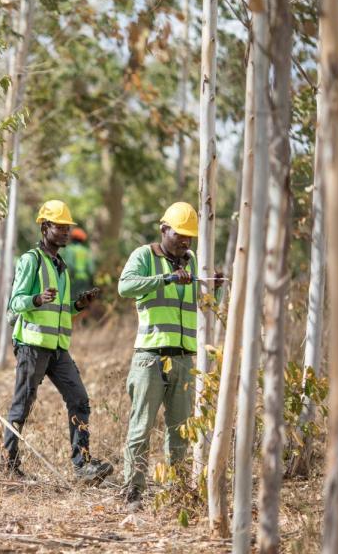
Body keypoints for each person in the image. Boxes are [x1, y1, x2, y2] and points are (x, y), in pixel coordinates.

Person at [2, 199, 113, 485]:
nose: (65, 232)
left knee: (79, 399)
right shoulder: (32, 260)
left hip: (58, 348)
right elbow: (14, 303)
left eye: (67, 227)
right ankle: (8, 464)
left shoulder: (60, 265)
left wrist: (79, 304)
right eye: (59, 226)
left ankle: (83, 465)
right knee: (22, 404)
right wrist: (36, 299)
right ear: (45, 227)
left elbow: (60, 311)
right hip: (32, 345)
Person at [117, 201, 201, 511]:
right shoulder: (144, 256)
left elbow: (204, 302)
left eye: (190, 237)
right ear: (164, 229)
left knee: (180, 431)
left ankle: (176, 491)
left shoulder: (193, 262)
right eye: (180, 234)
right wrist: (164, 279)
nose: (185, 241)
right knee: (141, 429)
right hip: (150, 358)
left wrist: (214, 284)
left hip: (183, 359)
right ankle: (133, 493)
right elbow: (125, 286)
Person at [61, 227, 94, 297]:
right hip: (85, 279)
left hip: (73, 279)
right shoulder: (86, 251)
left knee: (72, 299)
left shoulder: (69, 249)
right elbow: (91, 269)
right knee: (82, 300)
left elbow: (69, 265)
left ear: (72, 238)